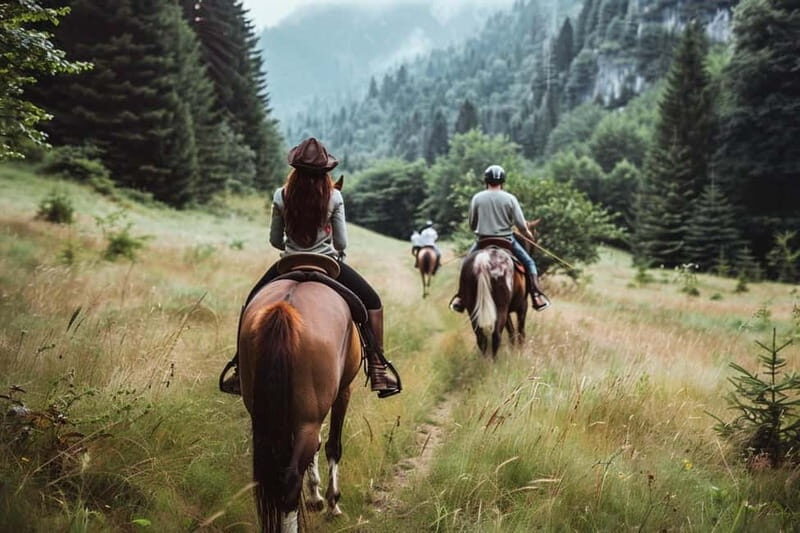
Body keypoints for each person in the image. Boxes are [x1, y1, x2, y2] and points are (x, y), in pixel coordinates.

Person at [219, 137, 401, 398]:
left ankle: (239, 369)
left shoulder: (280, 195)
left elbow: (275, 240)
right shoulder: (334, 196)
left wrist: (292, 243)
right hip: (327, 263)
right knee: (373, 302)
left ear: (295, 168)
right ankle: (377, 368)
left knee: (251, 303)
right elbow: (341, 243)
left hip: (288, 263)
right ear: (326, 171)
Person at [449, 164, 551, 312]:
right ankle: (536, 296)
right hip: (506, 241)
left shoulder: (477, 198)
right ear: (503, 182)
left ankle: (461, 297)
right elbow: (521, 225)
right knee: (529, 263)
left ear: (486, 181)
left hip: (483, 241)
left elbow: (472, 224)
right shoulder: (510, 198)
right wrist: (528, 235)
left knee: (465, 264)